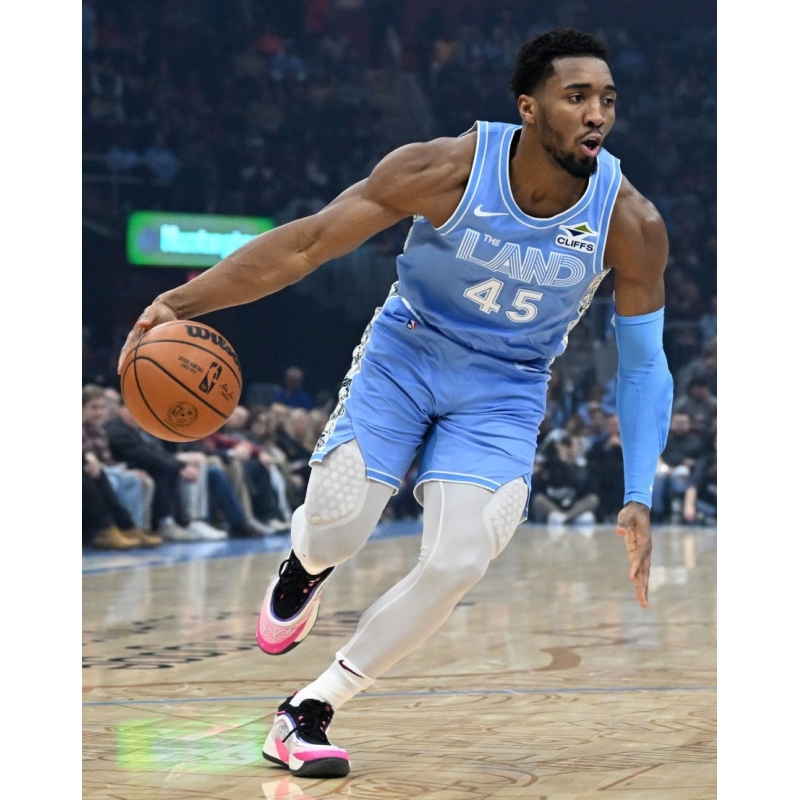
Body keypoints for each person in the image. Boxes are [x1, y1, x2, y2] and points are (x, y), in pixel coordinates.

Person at [119, 29, 673, 778]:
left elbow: (643, 365)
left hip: (506, 387)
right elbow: (307, 245)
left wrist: (638, 493)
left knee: (462, 556)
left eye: (606, 99)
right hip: (407, 352)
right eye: (576, 97)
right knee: (339, 521)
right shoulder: (444, 169)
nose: (596, 113)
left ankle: (310, 709)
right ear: (529, 107)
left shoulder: (630, 223)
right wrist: (179, 302)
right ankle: (305, 566)